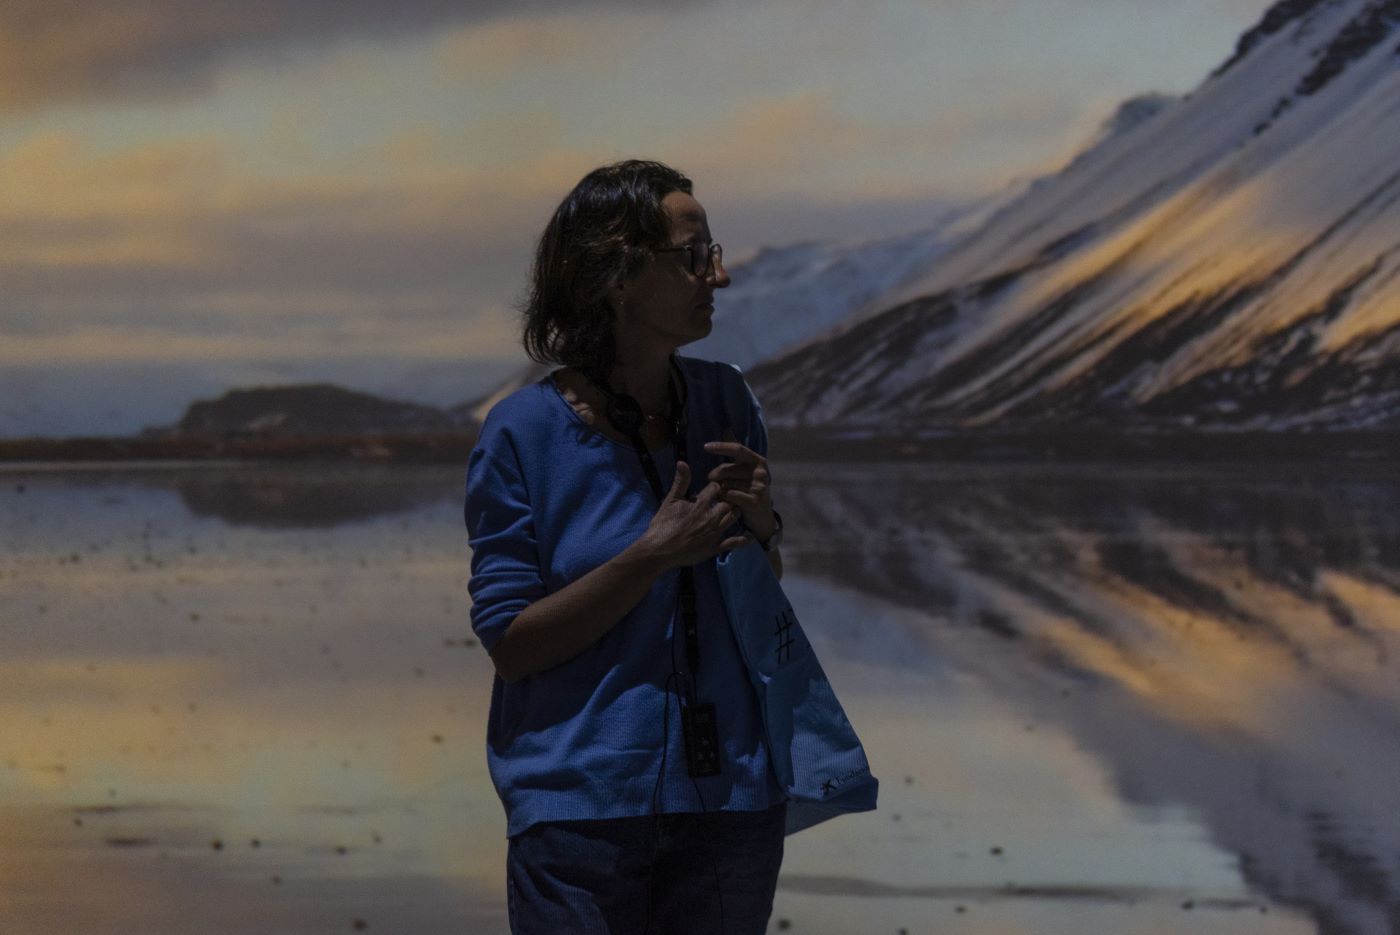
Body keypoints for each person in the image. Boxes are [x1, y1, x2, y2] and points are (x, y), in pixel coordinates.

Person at [464, 159, 788, 934]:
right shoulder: (524, 433)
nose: (719, 275)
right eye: (693, 256)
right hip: (581, 808)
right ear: (615, 275)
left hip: (729, 797)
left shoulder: (724, 399)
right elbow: (512, 645)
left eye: (713, 251)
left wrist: (763, 528)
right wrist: (648, 556)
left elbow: (756, 593)